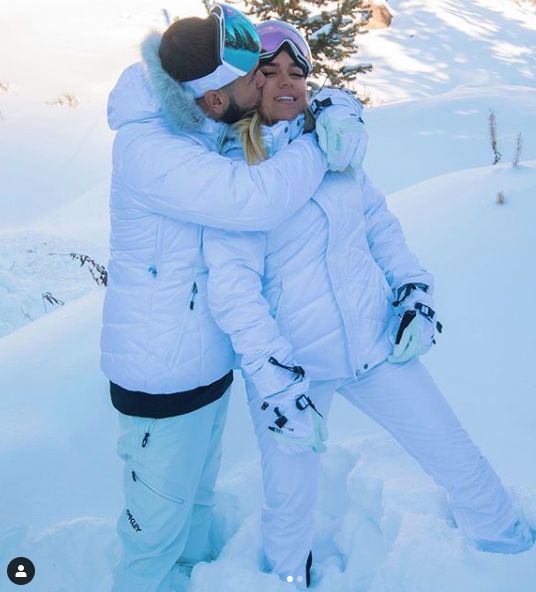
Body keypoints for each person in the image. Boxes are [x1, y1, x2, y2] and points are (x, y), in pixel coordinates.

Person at [203, 20, 535, 589]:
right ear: (249, 83)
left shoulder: (334, 147)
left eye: (297, 72)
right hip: (294, 372)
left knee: (457, 457)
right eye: (269, 71)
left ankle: (511, 554)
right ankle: (283, 580)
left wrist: (414, 291)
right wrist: (274, 378)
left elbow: (380, 227)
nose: (287, 83)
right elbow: (233, 286)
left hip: (373, 343)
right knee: (288, 507)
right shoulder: (237, 170)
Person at [101, 5, 366, 592]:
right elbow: (256, 201)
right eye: (252, 77)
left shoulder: (198, 126)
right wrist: (322, 145)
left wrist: (332, 106)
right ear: (215, 98)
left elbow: (287, 113)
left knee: (193, 513)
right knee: (154, 537)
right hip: (160, 382)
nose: (265, 82)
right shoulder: (151, 151)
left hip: (201, 367)